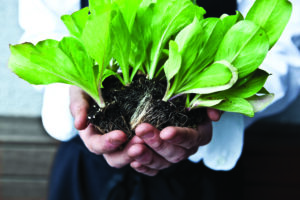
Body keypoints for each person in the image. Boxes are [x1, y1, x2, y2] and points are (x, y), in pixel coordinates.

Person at [18, 0, 300, 199]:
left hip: (203, 174)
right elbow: (42, 38)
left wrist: (215, 96)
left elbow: (285, 53)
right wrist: (75, 90)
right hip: (87, 171)